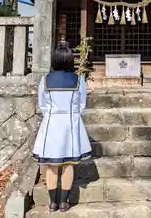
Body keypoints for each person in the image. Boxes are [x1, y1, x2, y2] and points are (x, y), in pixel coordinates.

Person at [32, 41, 92, 213]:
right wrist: (71, 114)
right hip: (70, 124)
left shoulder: (45, 80)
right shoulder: (78, 80)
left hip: (51, 123)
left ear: (55, 60)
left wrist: (52, 114)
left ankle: (52, 203)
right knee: (68, 163)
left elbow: (42, 105)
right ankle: (64, 202)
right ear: (70, 61)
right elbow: (81, 105)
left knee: (51, 164)